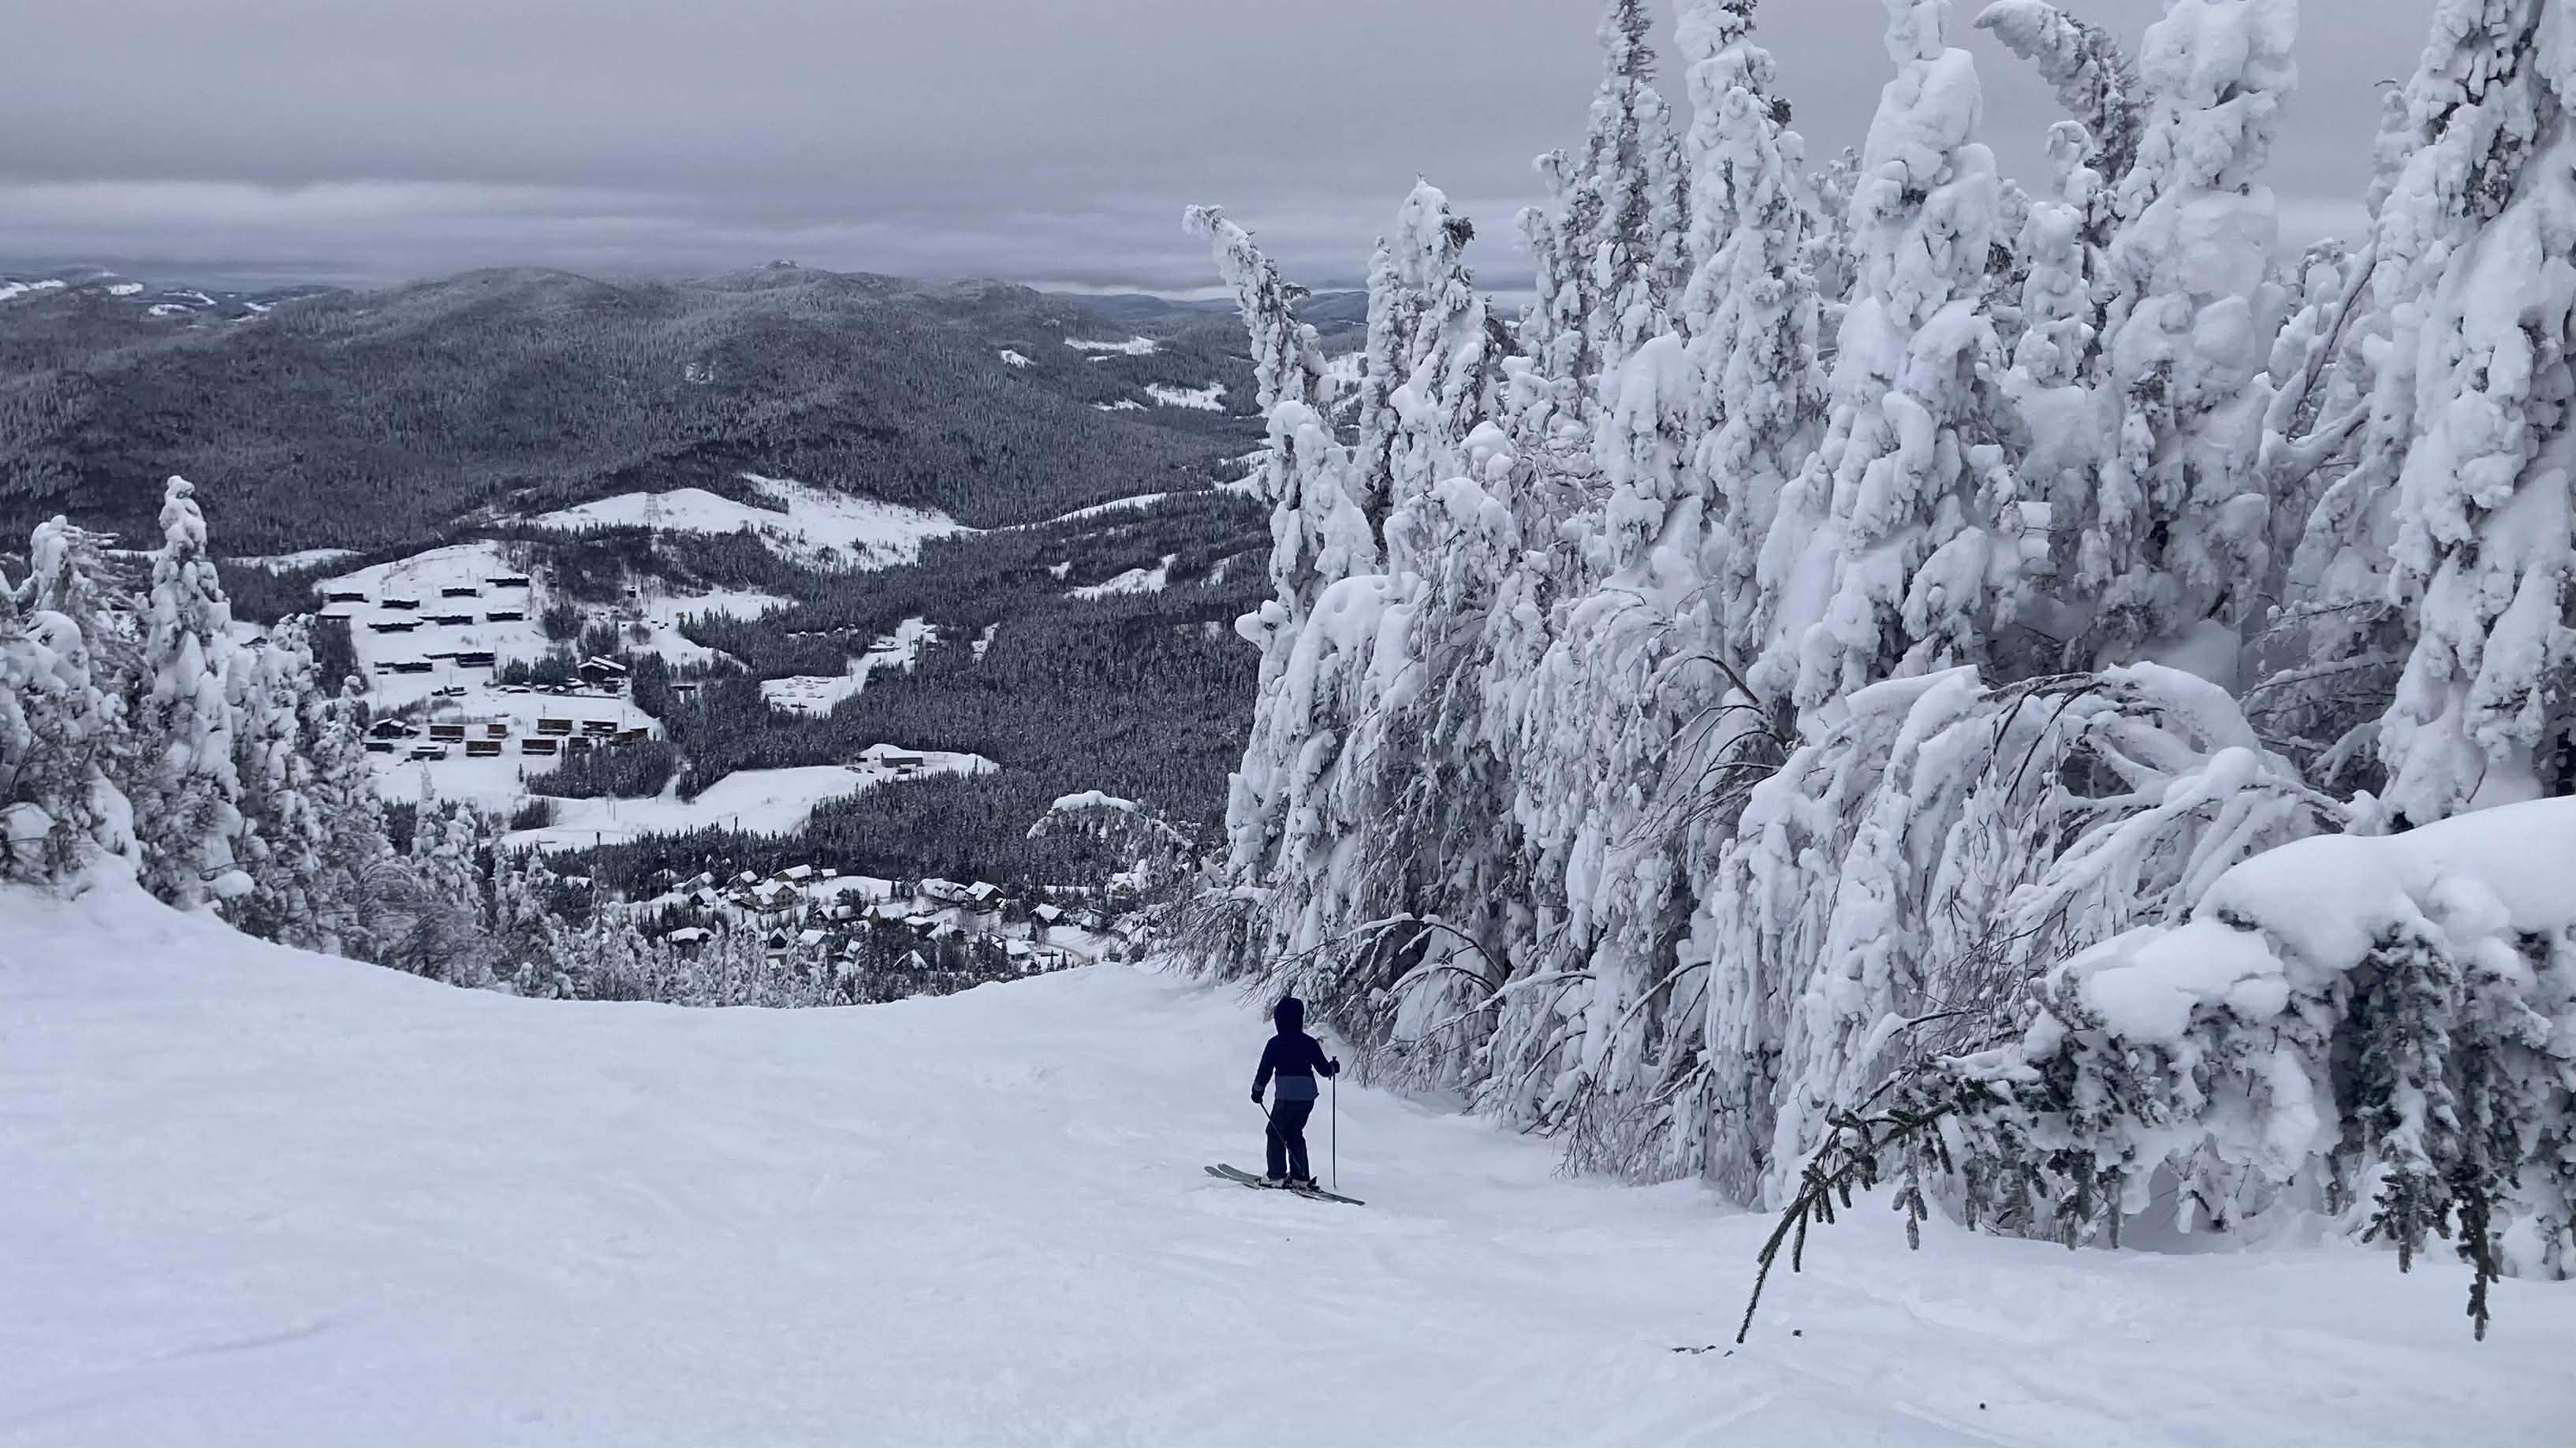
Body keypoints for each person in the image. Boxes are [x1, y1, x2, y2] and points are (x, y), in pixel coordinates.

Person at [1251, 995, 1340, 1189]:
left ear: (1279, 1020)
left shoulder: (1275, 1043)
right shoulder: (1308, 1042)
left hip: (1286, 1097)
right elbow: (1324, 1070)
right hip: (1308, 1097)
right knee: (1294, 1133)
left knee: (1274, 1132)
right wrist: (1333, 1067)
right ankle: (1301, 1177)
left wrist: (1257, 1091)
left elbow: (1264, 1070)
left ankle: (1276, 1176)